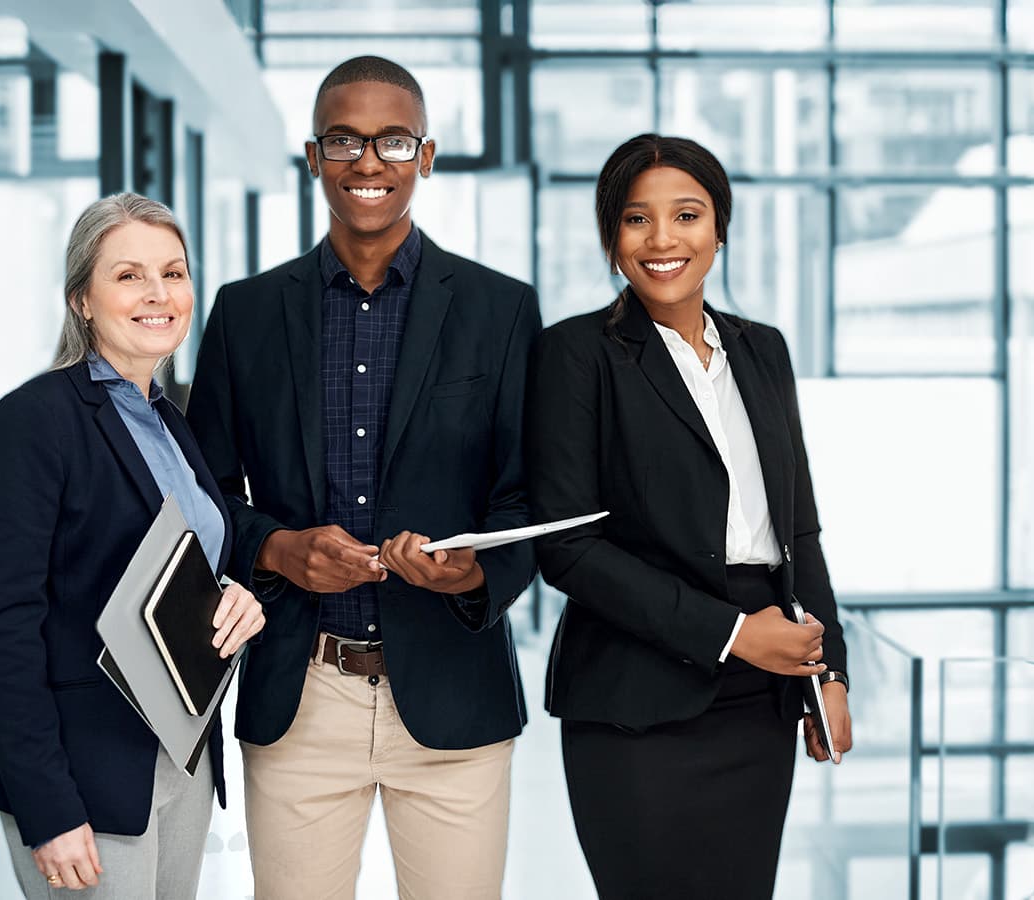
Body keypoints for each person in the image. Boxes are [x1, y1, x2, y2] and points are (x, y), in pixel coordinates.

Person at [186, 55, 541, 900]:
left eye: (392, 141)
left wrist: (474, 574)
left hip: (455, 695)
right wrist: (276, 549)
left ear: (426, 155)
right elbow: (200, 498)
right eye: (344, 140)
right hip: (300, 692)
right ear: (313, 157)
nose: (368, 163)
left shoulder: (502, 310)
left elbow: (528, 497)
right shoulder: (245, 313)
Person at [525, 134, 854, 900]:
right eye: (638, 220)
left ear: (720, 228)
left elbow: (798, 529)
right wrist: (735, 634)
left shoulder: (762, 350)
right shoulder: (577, 354)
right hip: (637, 701)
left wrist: (827, 669)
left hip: (761, 698)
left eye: (687, 215)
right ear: (612, 238)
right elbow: (568, 549)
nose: (664, 239)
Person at [0, 193, 265, 898]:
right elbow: (2, 628)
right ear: (81, 301)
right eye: (129, 276)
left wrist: (235, 593)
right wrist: (48, 807)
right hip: (82, 772)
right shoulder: (35, 421)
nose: (159, 294)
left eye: (174, 273)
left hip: (180, 755)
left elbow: (183, 562)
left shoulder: (170, 419)